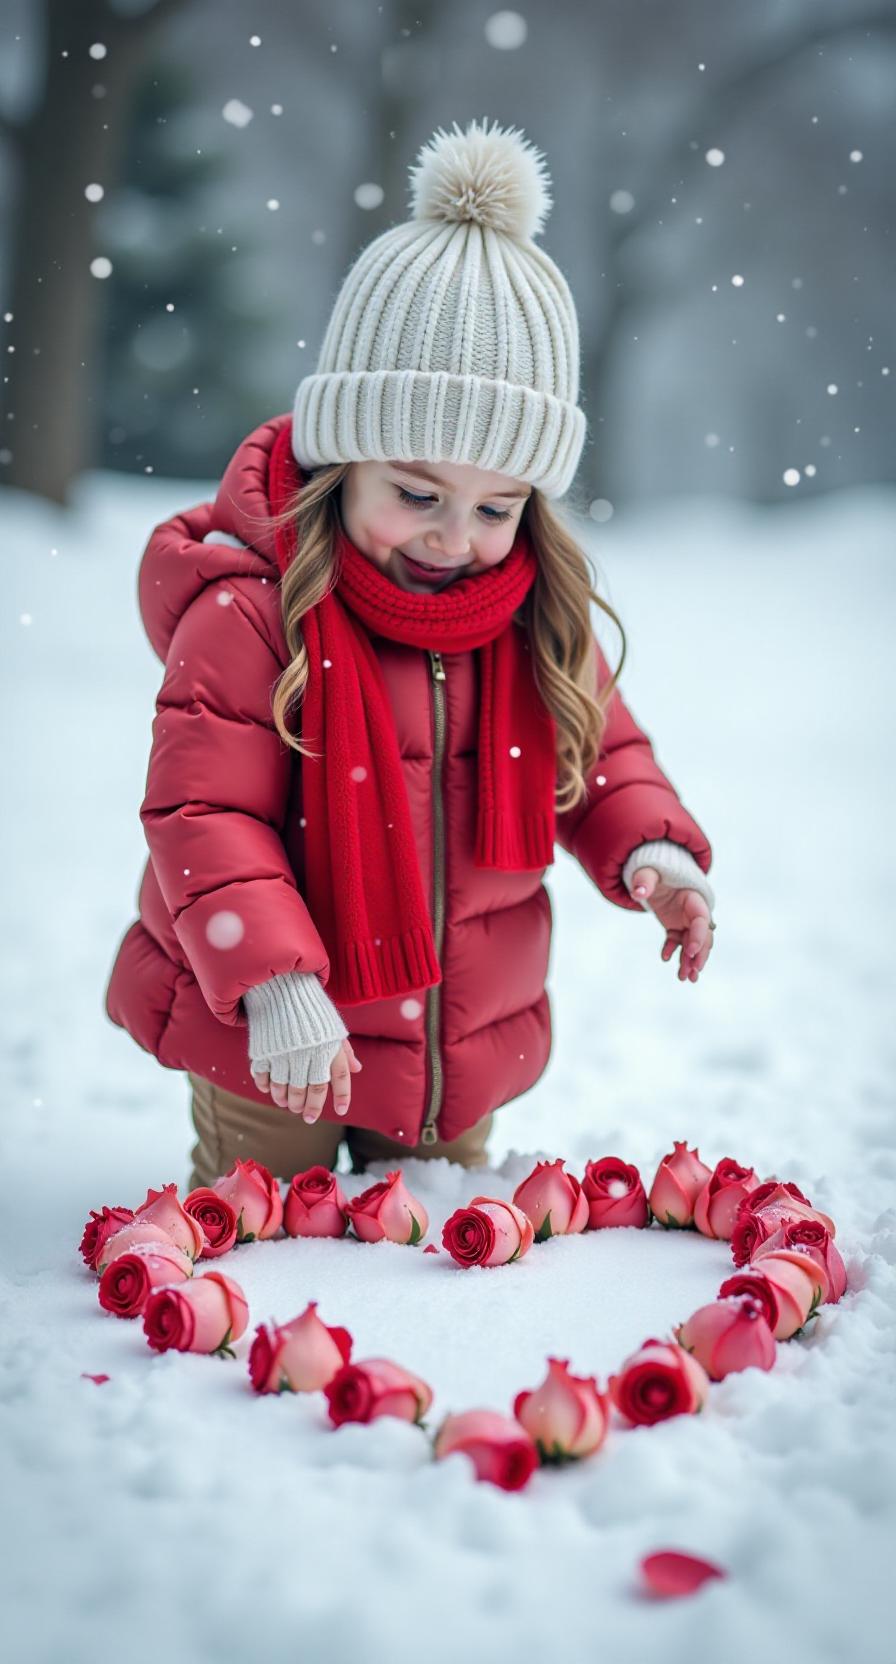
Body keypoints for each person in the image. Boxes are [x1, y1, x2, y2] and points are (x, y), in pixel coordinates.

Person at [104, 117, 716, 1189]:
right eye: (416, 492)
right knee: (268, 1236)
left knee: (425, 1256)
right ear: (343, 455)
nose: (452, 537)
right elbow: (203, 815)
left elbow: (602, 753)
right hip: (274, 1048)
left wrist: (650, 855)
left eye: (496, 506)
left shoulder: (531, 613)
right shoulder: (250, 610)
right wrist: (273, 984)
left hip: (455, 1049)